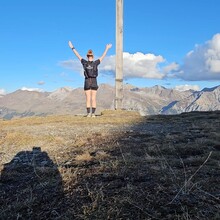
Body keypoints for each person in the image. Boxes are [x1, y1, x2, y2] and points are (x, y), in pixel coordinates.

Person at [68, 41, 112, 117]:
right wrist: (107, 49)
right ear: (92, 56)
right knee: (93, 98)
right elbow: (103, 56)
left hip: (88, 81)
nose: (90, 57)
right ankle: (93, 114)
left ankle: (89, 114)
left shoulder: (85, 62)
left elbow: (77, 55)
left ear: (87, 56)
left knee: (89, 99)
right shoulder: (94, 63)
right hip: (92, 81)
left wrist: (72, 47)